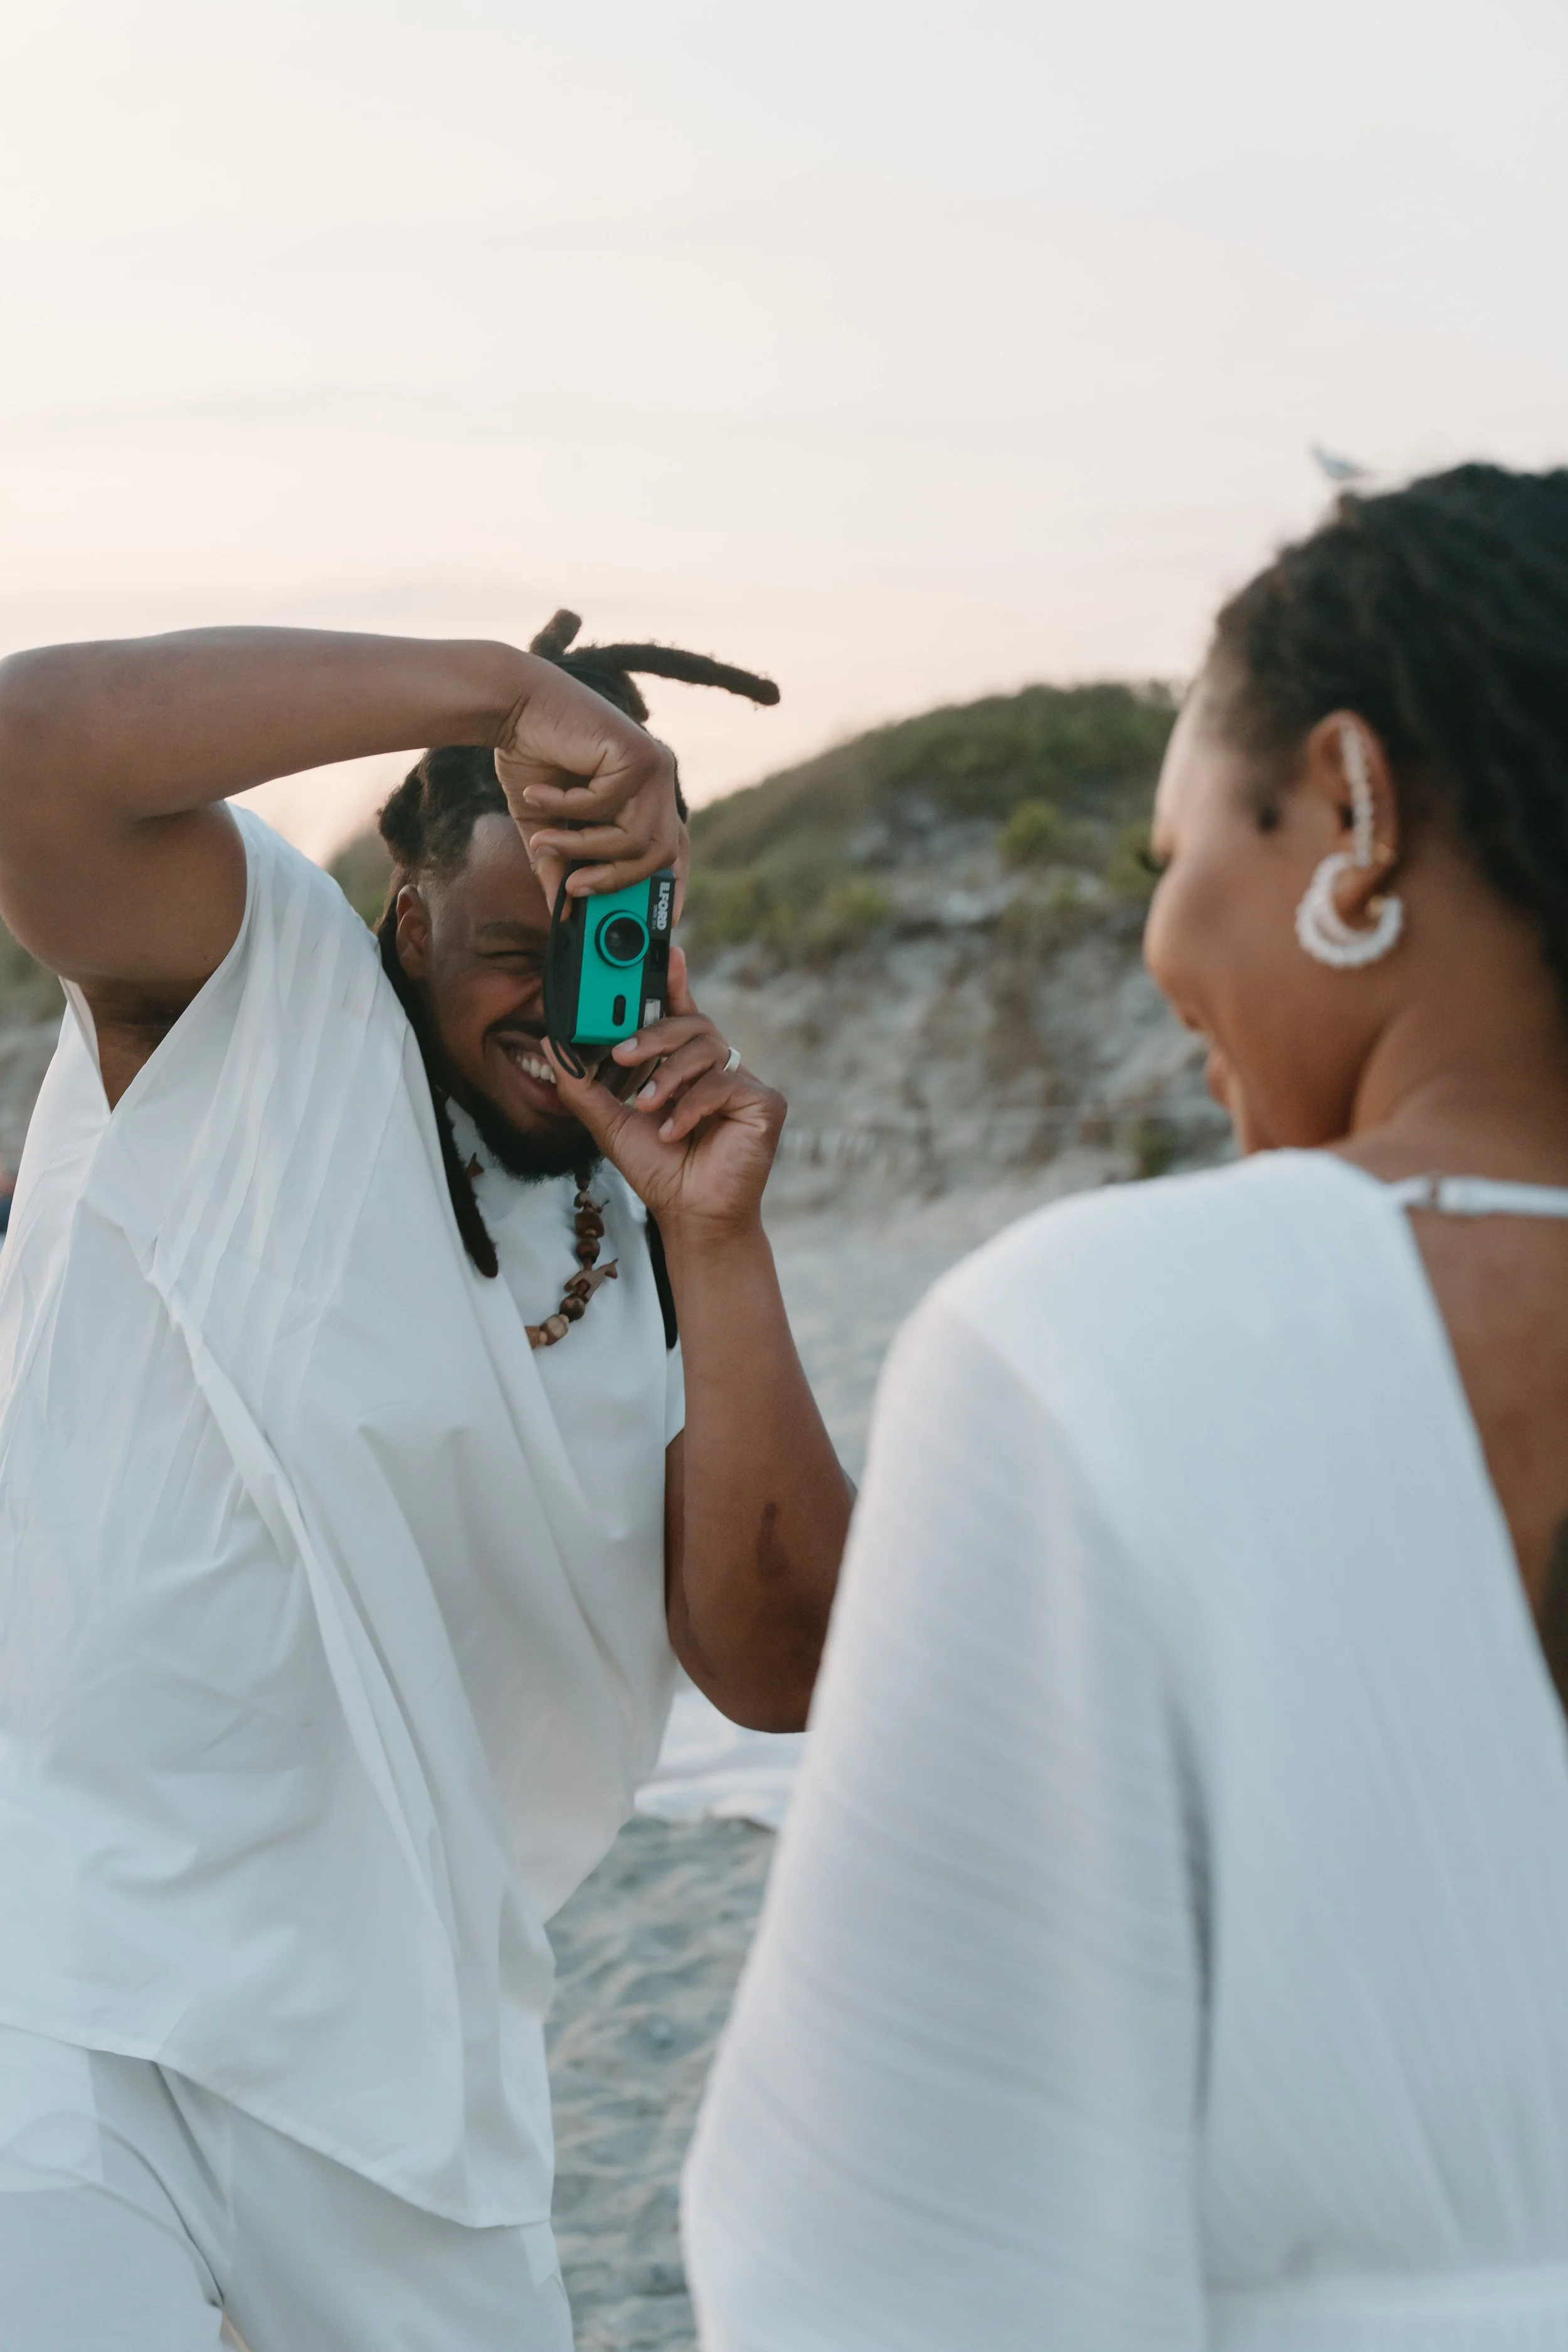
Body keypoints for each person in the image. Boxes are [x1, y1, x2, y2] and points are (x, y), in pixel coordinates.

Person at [684, 464, 1568, 2349]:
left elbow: (887, 2261)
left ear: (1350, 810)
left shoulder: (1107, 1337)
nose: (1160, 959)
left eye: (1170, 866)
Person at [0, 613, 852, 2351]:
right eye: (505, 943)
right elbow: (26, 751)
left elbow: (778, 1667)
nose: (553, 996)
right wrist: (495, 684)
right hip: (76, 1982)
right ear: (407, 915)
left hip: (411, 2081)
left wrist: (722, 1235)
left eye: (603, 940)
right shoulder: (267, 1024)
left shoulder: (652, 1236)